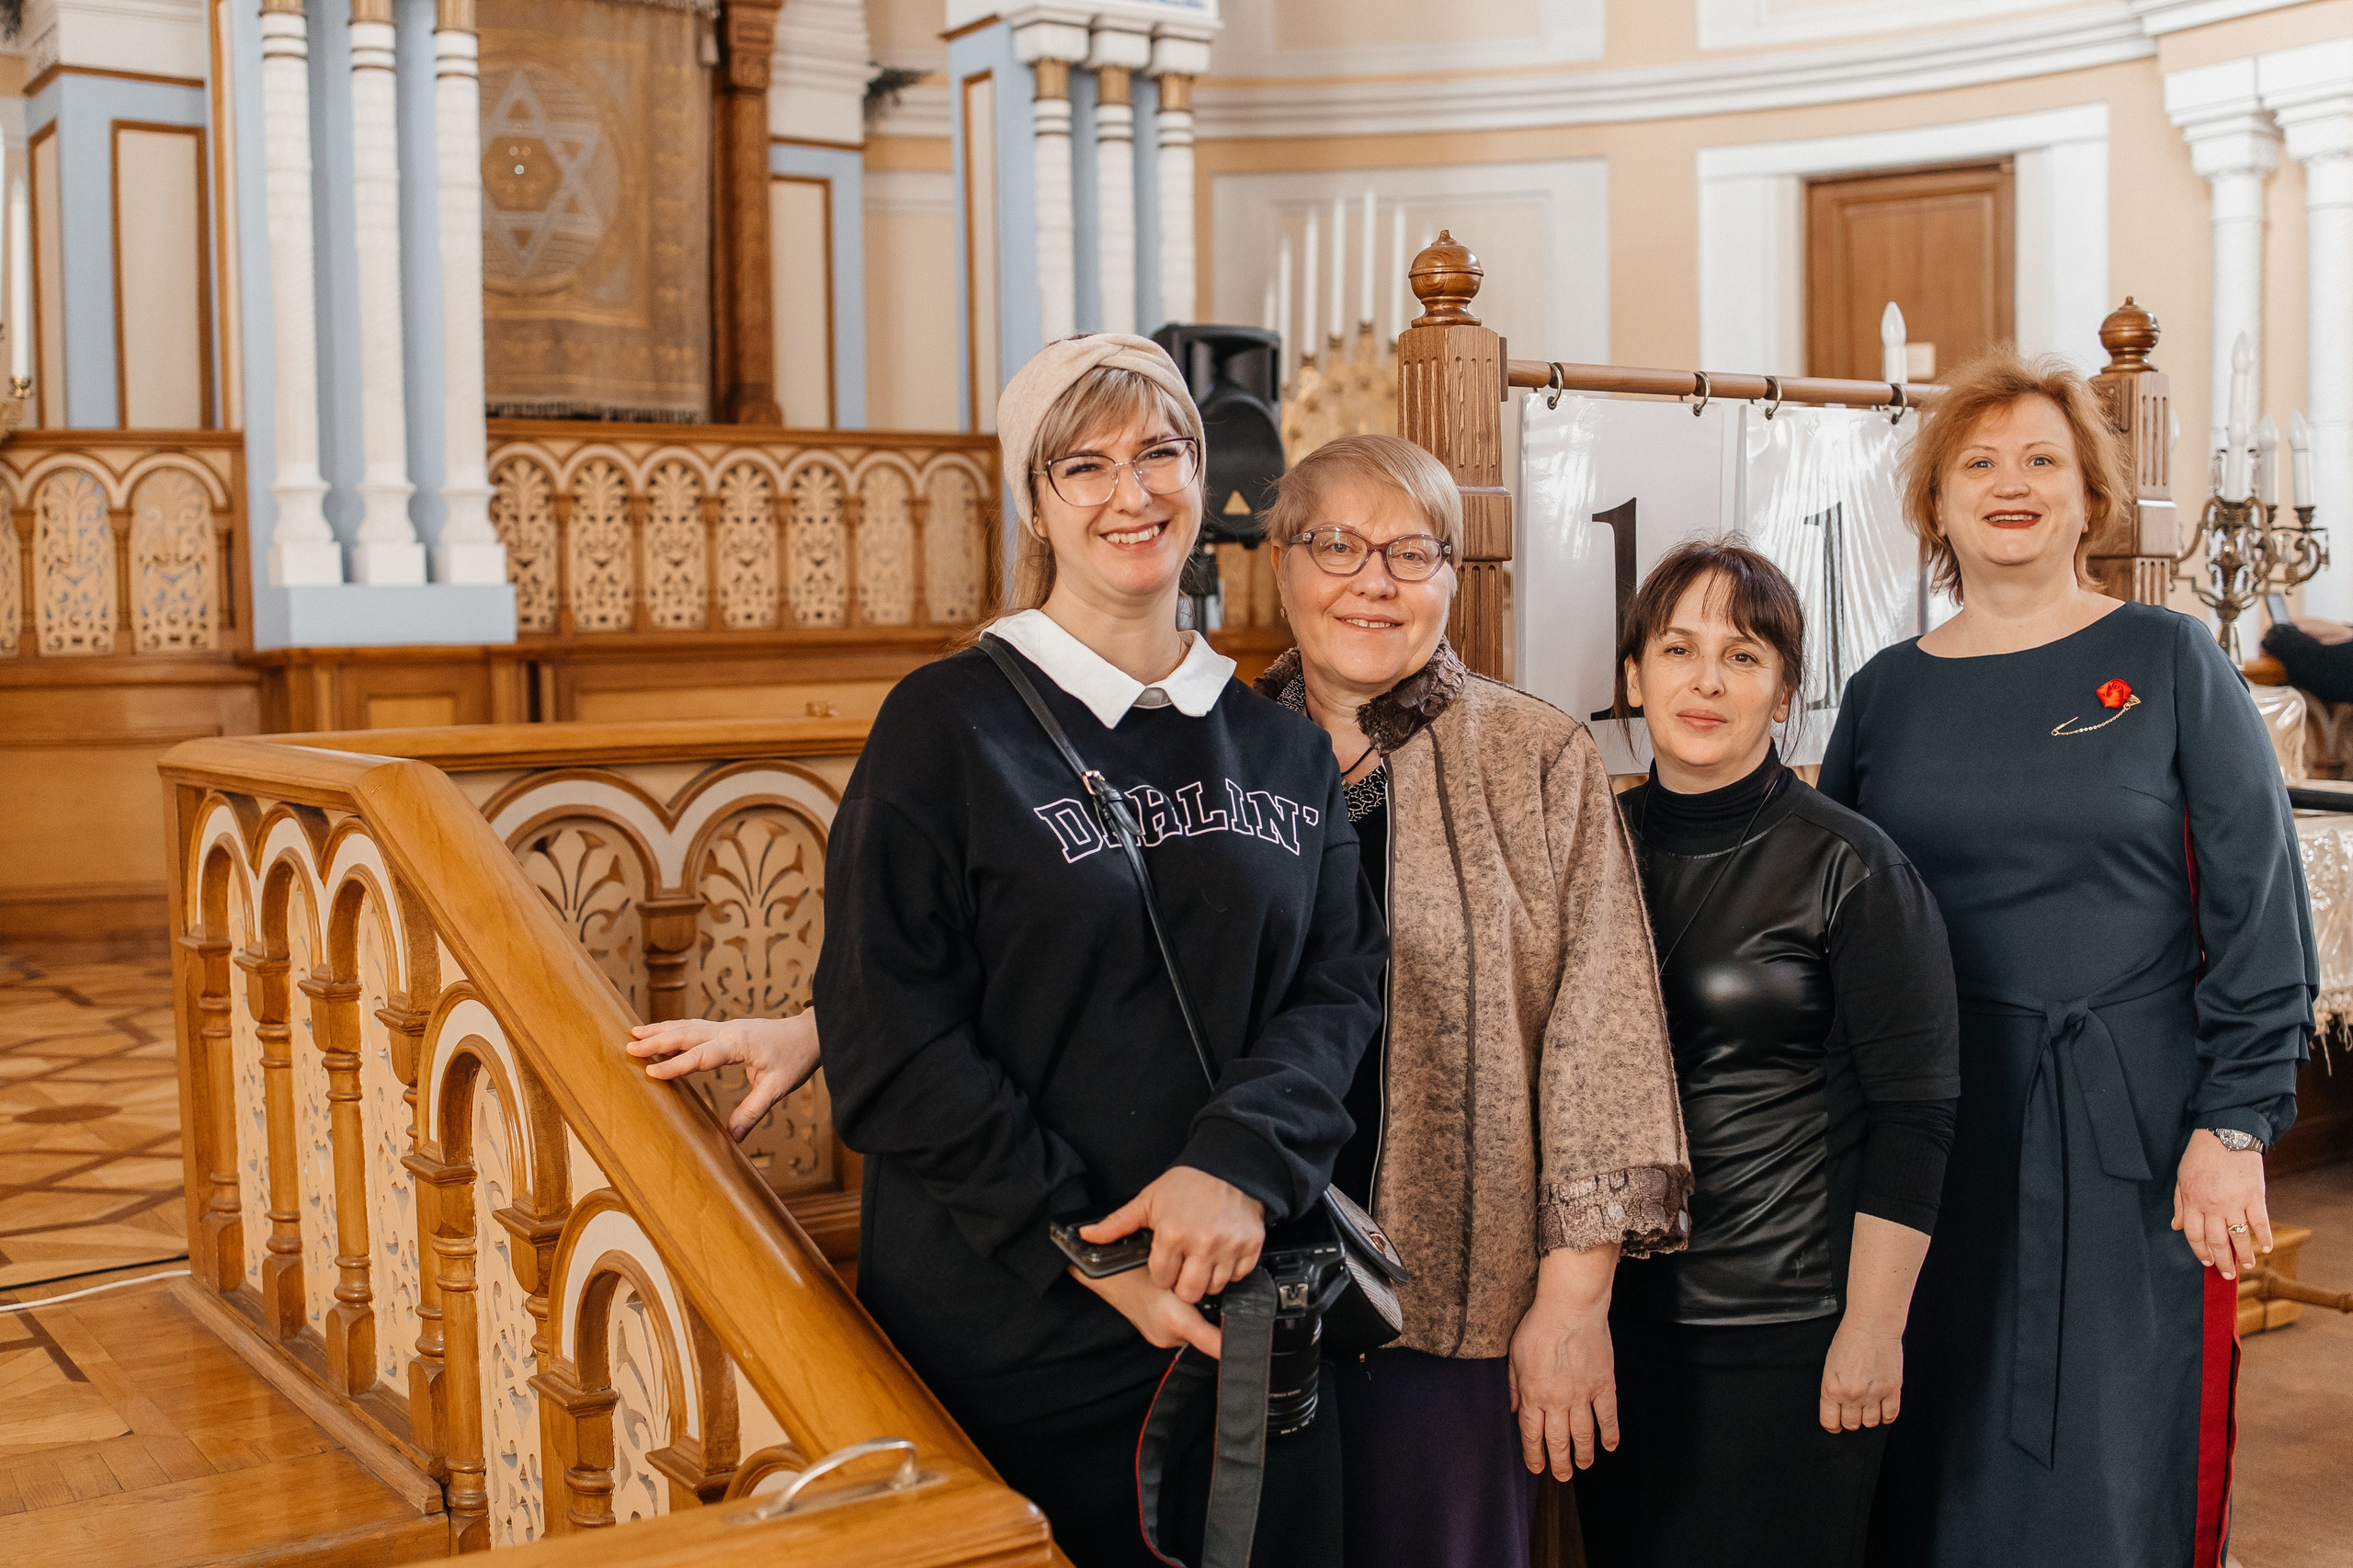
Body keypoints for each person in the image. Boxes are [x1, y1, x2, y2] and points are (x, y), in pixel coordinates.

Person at [645, 334, 1385, 1567]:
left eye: (1161, 453)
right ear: (1034, 501)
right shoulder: (946, 726)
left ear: (1203, 478)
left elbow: (1337, 987)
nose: (1131, 493)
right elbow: (891, 1030)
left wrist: (1239, 1167)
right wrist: (1089, 1252)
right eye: (1083, 465)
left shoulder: (1279, 744)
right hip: (1018, 1327)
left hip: (1247, 1309)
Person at [1818, 347, 2316, 1566]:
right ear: (1933, 505)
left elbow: (2261, 904)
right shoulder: (1884, 693)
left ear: (2089, 497)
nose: (2012, 483)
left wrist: (2238, 1123)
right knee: (1932, 1454)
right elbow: (1838, 924)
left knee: (2108, 1462)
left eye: (2044, 458)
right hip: (1930, 1141)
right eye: (1979, 462)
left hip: (2136, 1140)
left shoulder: (2170, 659)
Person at [1251, 434, 1690, 1568]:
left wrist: (1574, 1300)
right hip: (1238, 1290)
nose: (1373, 581)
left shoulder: (1534, 754)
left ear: (1455, 575)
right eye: (1336, 544)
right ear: (1280, 562)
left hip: (1457, 1305)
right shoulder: (1215, 750)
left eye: (1411, 551)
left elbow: (1603, 1037)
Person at [1571, 539, 1961, 1568]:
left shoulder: (1855, 866)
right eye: (1677, 648)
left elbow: (1916, 1116)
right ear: (1631, 676)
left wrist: (1873, 1328)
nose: (1705, 679)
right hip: (1612, 1315)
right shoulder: (1587, 848)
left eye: (1742, 656)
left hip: (1787, 1326)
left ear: (1785, 690)